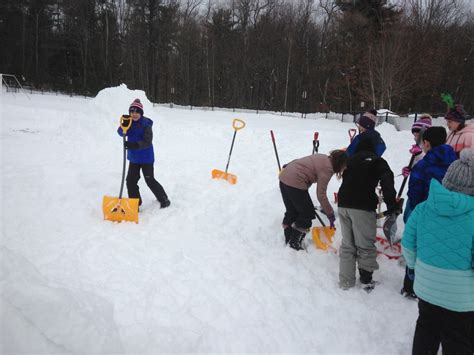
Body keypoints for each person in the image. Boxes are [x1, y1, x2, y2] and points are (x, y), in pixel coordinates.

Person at [402, 148, 474, 355]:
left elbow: (408, 244)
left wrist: (416, 267)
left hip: (426, 286)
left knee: (426, 328)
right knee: (457, 337)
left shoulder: (424, 208)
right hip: (462, 296)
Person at [400, 126, 457, 298]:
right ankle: (439, 288)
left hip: (426, 215)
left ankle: (411, 288)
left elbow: (415, 196)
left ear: (426, 143)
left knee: (417, 249)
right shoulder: (456, 162)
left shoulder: (424, 165)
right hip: (452, 215)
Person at [337, 138, 401, 290]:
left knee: (348, 245)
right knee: (365, 245)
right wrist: (392, 204)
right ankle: (366, 281)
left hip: (343, 204)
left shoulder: (351, 161)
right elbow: (387, 180)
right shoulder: (377, 161)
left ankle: (346, 282)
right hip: (363, 206)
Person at [279, 150, 348, 251]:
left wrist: (289, 167)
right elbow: (321, 194)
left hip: (284, 177)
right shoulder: (327, 169)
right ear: (339, 164)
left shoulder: (323, 157)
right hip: (296, 181)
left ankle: (288, 239)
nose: (344, 169)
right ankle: (294, 243)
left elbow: (300, 161)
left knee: (292, 210)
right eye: (344, 166)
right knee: (307, 214)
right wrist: (330, 214)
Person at [117, 99, 170, 209]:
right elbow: (121, 132)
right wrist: (123, 124)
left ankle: (164, 199)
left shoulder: (146, 124)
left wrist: (134, 145)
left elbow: (147, 141)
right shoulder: (130, 122)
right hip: (134, 159)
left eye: (137, 112)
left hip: (146, 158)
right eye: (132, 112)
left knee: (149, 180)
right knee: (130, 181)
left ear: (141, 113)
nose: (134, 114)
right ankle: (135, 204)